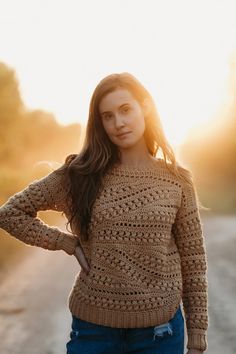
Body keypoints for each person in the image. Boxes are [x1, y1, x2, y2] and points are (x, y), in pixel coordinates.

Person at [0, 72, 208, 354]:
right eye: (107, 116)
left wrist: (197, 337)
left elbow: (193, 261)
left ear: (145, 107)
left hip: (160, 331)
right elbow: (10, 214)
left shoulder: (177, 180)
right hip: (94, 330)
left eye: (125, 110)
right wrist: (66, 243)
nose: (118, 123)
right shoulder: (80, 175)